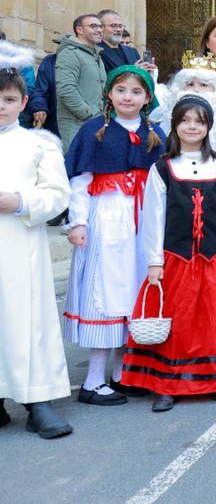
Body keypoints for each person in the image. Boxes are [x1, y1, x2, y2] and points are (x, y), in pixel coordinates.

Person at [122, 95, 216, 412]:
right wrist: (154, 260)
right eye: (185, 120)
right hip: (175, 257)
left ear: (208, 127)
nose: (192, 126)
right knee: (178, 321)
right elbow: (153, 217)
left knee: (211, 321)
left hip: (212, 257)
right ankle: (168, 384)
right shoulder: (162, 168)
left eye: (199, 121)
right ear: (175, 125)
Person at [63, 65, 165, 405]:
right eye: (121, 90)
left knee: (134, 291)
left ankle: (123, 373)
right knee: (106, 291)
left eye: (136, 92)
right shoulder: (94, 131)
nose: (128, 97)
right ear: (109, 93)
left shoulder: (155, 134)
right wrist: (77, 222)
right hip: (106, 218)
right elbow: (79, 179)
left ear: (148, 98)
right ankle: (93, 380)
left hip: (141, 220)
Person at [0, 45, 74, 438]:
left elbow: (58, 194)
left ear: (24, 101)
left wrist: (21, 201)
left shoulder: (38, 144)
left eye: (9, 99)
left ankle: (36, 399)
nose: (2, 106)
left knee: (24, 320)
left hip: (19, 244)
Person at [149, 50, 216, 195]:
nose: (196, 90)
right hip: (176, 188)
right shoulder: (167, 118)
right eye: (190, 84)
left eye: (204, 85)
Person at [55, 14, 107, 149]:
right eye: (93, 26)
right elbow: (66, 89)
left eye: (101, 26)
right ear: (79, 30)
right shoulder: (70, 53)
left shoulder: (95, 54)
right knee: (77, 166)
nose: (99, 30)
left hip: (96, 122)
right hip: (77, 123)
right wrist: (87, 114)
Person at [96, 10, 142, 75]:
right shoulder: (96, 51)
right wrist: (133, 70)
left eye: (120, 26)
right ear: (101, 28)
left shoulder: (132, 51)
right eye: (113, 25)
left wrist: (149, 72)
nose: (118, 30)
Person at [29, 49, 58, 135]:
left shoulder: (97, 60)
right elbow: (40, 92)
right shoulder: (50, 61)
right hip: (53, 125)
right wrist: (39, 108)